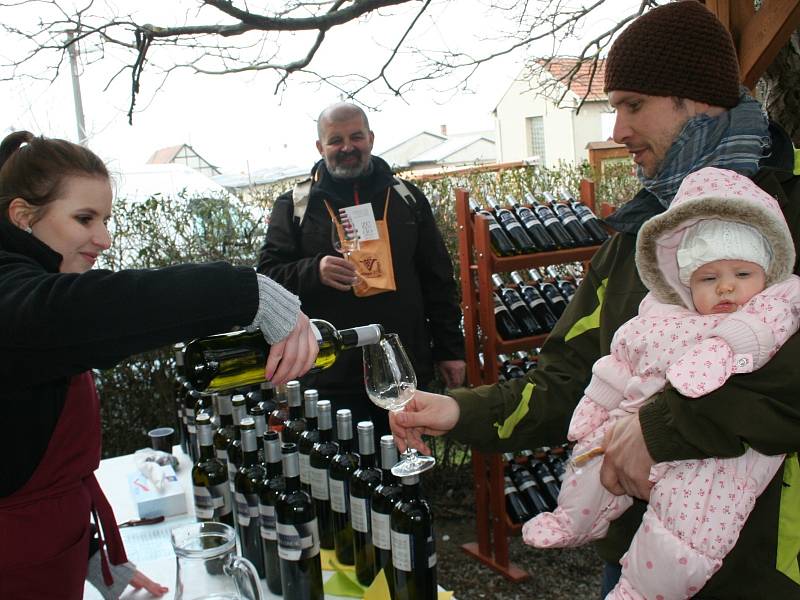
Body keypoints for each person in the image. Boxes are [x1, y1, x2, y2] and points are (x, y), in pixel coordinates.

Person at [390, 2, 800, 597]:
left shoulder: (789, 212)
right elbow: (568, 379)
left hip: (762, 571)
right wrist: (456, 411)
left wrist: (660, 428)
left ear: (698, 99)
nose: (618, 132)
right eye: (615, 109)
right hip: (633, 555)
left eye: (633, 104)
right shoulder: (639, 237)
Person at [0, 130, 318, 599]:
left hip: (49, 551)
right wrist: (249, 293)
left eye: (106, 219)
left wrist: (92, 555)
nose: (104, 238)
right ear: (24, 217)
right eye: (84, 218)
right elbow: (94, 309)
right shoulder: (13, 293)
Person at [523, 167, 800, 599]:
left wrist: (716, 357)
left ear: (767, 272)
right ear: (686, 283)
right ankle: (572, 518)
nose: (727, 287)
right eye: (709, 278)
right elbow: (617, 363)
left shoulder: (775, 305)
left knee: (687, 524)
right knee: (589, 456)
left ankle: (642, 590)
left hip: (720, 453)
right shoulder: (661, 314)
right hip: (637, 416)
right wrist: (595, 410)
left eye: (743, 275)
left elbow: (755, 341)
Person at [258, 102, 465, 435]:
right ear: (319, 146)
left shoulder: (406, 198)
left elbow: (437, 280)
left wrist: (450, 350)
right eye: (335, 140)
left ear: (370, 138)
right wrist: (315, 270)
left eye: (356, 137)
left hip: (403, 367)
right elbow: (267, 275)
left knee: (409, 468)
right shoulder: (296, 206)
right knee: (341, 475)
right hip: (328, 374)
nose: (347, 147)